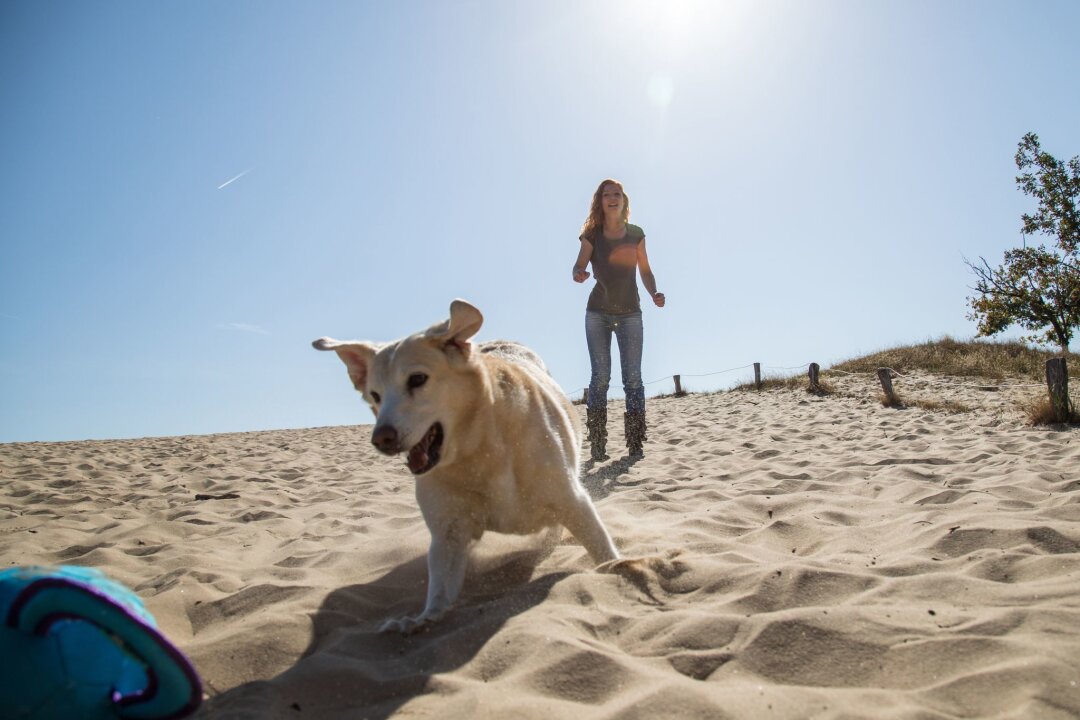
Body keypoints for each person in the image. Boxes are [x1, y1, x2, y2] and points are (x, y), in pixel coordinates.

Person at [572, 179, 665, 460]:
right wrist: (579, 273)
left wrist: (654, 293)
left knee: (633, 379)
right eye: (606, 194)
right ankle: (598, 445)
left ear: (623, 200)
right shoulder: (592, 233)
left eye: (617, 194)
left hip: (630, 314)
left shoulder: (636, 234)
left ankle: (635, 443)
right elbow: (578, 264)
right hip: (597, 313)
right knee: (600, 378)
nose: (612, 198)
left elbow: (645, 271)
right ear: (600, 201)